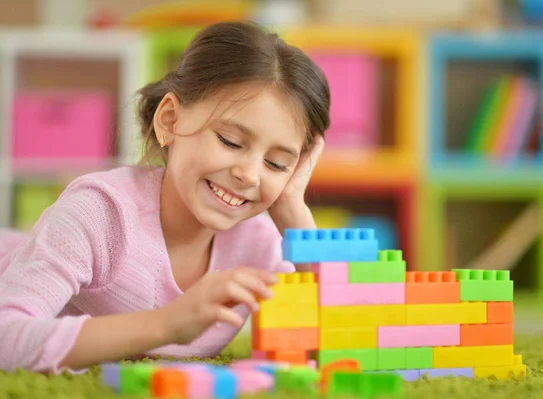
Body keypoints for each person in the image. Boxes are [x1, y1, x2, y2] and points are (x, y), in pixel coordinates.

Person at [0, 20, 330, 374]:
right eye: (230, 142)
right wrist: (165, 325)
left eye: (276, 163)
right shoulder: (100, 213)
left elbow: (351, 347)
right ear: (170, 121)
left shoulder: (261, 245)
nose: (249, 175)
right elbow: (7, 338)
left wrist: (294, 210)